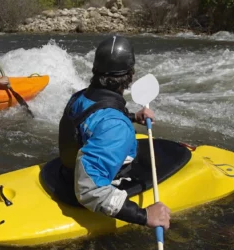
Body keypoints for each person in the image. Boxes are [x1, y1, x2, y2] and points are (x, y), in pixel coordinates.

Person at [57, 36, 171, 230]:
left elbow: (95, 116)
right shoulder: (116, 127)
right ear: (130, 75)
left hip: (65, 172)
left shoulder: (80, 96)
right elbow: (89, 189)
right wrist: (144, 215)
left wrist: (133, 117)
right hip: (87, 186)